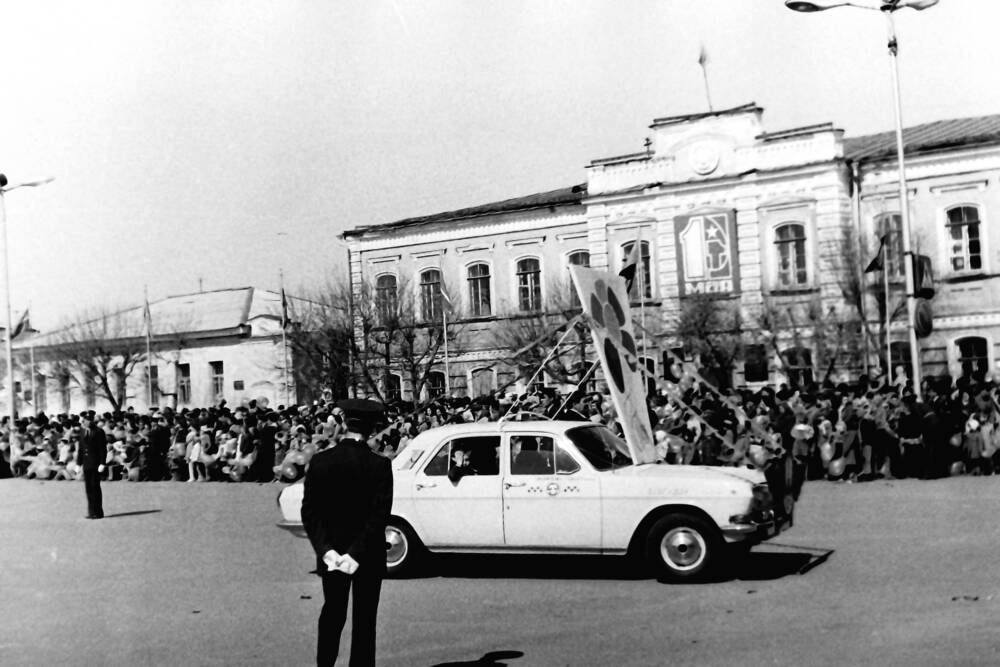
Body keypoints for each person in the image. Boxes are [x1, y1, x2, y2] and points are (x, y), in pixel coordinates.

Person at [301, 401, 392, 667]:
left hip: (332, 553)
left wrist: (326, 550)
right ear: (373, 428)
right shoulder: (379, 465)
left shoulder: (321, 461)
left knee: (332, 613)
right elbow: (380, 515)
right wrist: (356, 553)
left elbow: (310, 512)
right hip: (366, 555)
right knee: (365, 620)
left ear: (343, 424)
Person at [76, 411, 106, 519]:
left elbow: (103, 449)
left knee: (95, 488)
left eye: (89, 420)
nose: (86, 421)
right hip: (86, 464)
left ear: (92, 420)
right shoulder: (83, 431)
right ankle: (91, 511)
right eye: (85, 419)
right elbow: (81, 449)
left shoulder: (99, 432)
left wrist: (102, 463)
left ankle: (98, 512)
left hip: (95, 463)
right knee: (88, 488)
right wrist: (78, 463)